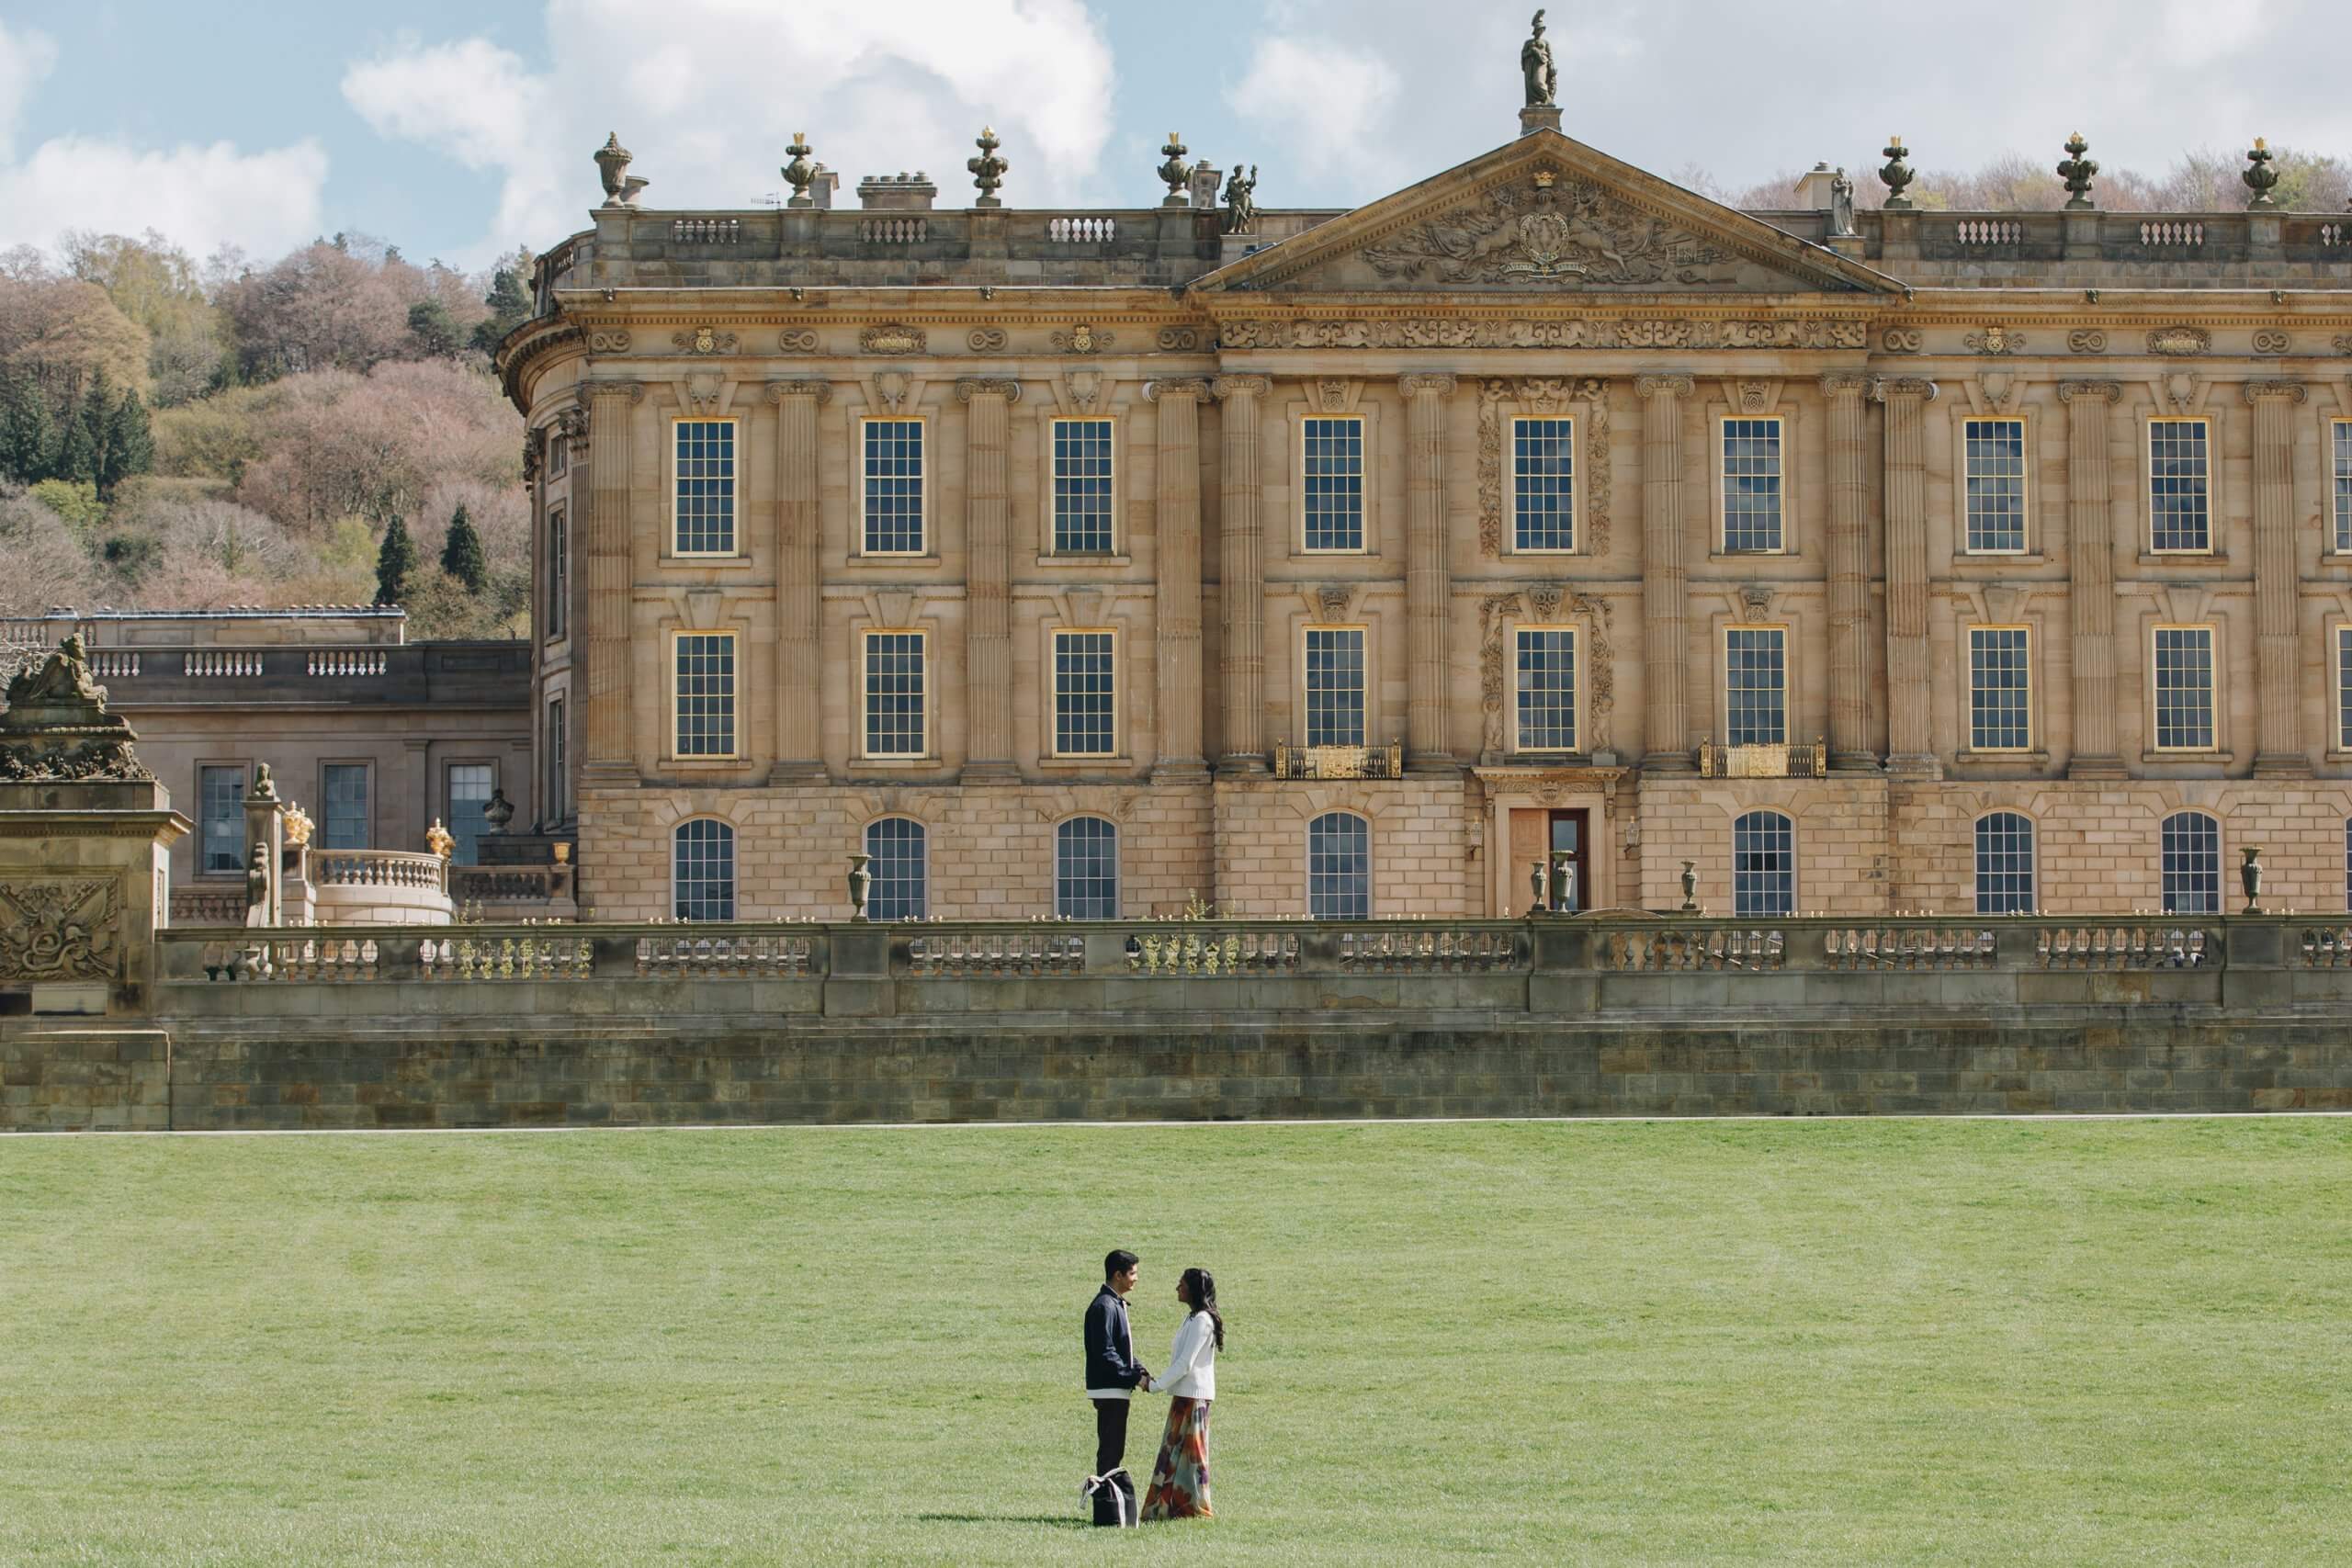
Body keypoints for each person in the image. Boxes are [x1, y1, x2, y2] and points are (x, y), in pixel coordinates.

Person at [1141, 1266, 1223, 1521]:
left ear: (1193, 1289)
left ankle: (1194, 1507)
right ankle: (1167, 1507)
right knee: (1173, 1452)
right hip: (1183, 1395)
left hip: (1194, 1396)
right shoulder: (1191, 1318)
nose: (1177, 1288)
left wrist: (1155, 1385)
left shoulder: (1202, 1320)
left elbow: (1185, 1363)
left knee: (1192, 1454)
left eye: (1182, 1284)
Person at [1083, 1249, 1153, 1520]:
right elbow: (1107, 1354)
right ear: (1118, 1274)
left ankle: (1109, 1505)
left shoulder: (1113, 1303)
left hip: (1116, 1387)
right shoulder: (1104, 1306)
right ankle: (1106, 1509)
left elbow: (1121, 1351)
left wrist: (1140, 1369)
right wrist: (1134, 1377)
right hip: (1110, 1388)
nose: (1136, 1279)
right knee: (1111, 1451)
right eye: (1133, 1273)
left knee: (1114, 1448)